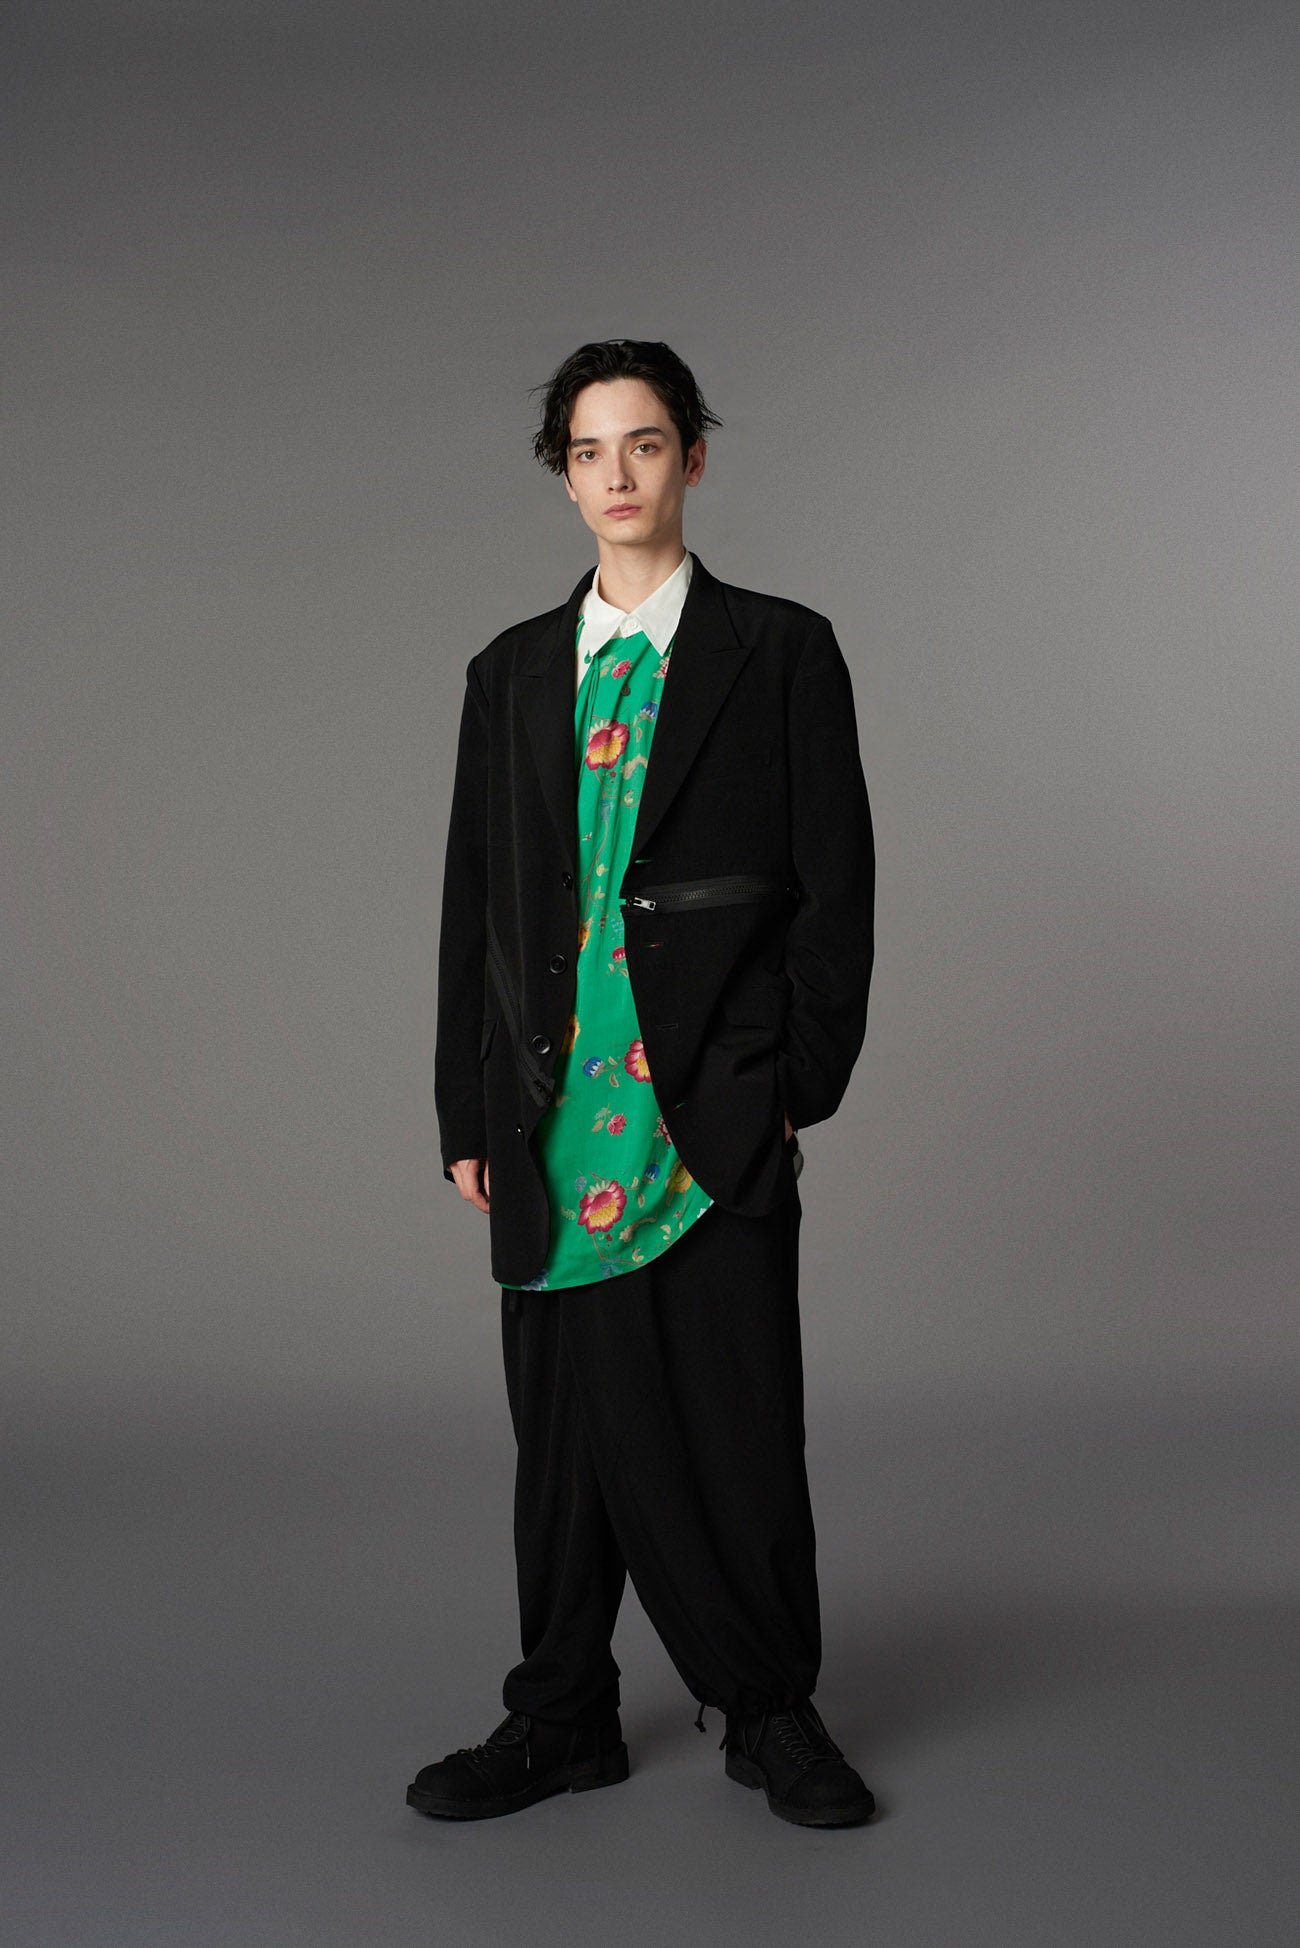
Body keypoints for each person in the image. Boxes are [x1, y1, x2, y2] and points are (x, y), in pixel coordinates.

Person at [407, 339, 876, 1828]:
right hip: (548, 1112)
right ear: (563, 475)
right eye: (589, 451)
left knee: (735, 1416)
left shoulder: (779, 651)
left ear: (694, 458)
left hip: (708, 1108)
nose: (618, 476)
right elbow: (475, 905)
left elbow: (838, 889)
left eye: (647, 444)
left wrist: (795, 1080)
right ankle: (560, 1717)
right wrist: (468, 1110)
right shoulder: (508, 673)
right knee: (560, 1439)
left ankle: (771, 1709)